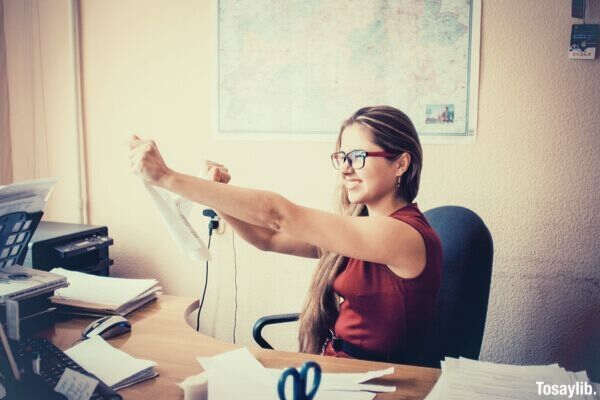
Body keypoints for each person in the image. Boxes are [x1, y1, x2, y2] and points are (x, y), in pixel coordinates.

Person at [128, 105, 442, 364]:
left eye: (358, 157)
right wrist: (217, 196)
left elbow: (279, 217)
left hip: (378, 384)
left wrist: (166, 177)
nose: (346, 169)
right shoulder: (357, 229)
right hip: (339, 369)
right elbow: (269, 239)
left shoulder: (402, 235)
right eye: (342, 158)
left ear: (400, 163)